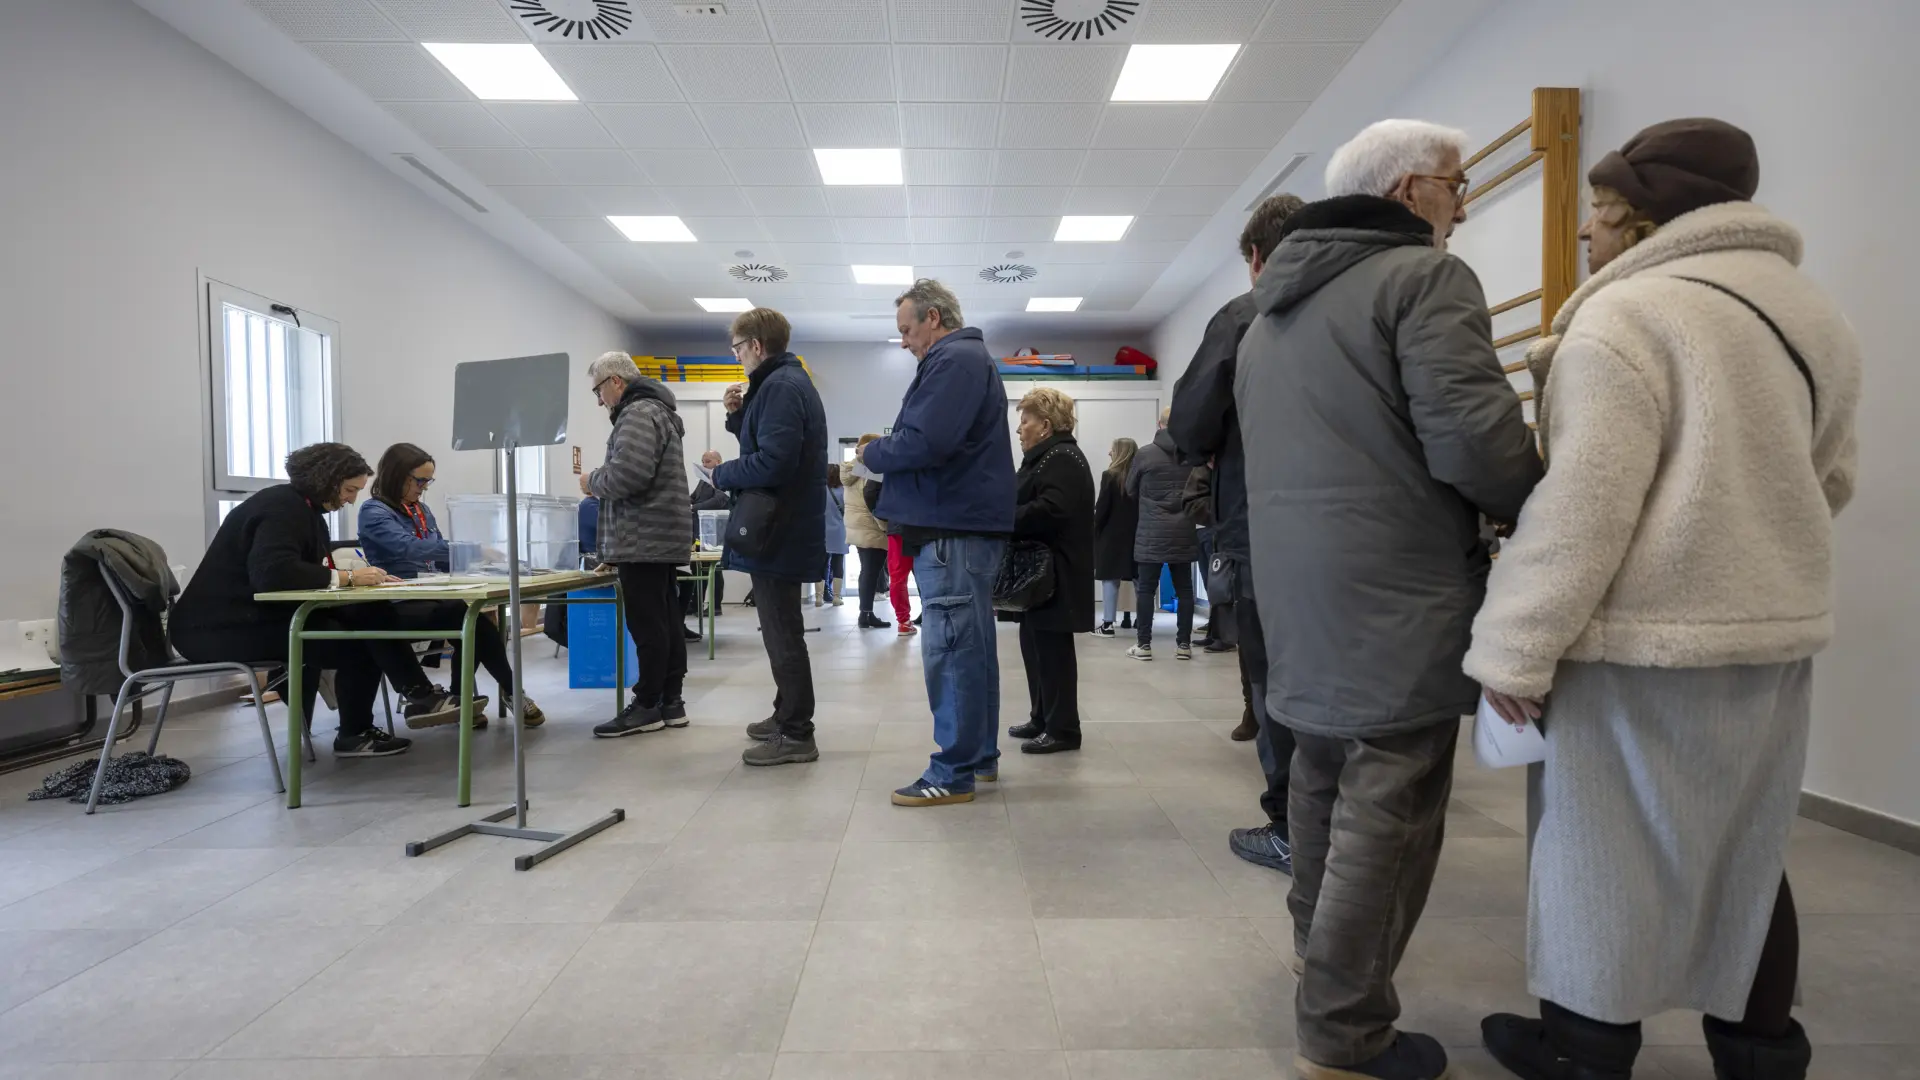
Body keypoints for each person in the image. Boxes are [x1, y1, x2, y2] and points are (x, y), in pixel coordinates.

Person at [1467, 119, 1861, 1080]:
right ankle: (1762, 1053)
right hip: (1770, 631)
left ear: (1635, 220)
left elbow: (1583, 507)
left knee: (1602, 851)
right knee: (1748, 849)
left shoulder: (1627, 318)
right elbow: (1833, 480)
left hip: (1638, 641)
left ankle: (1584, 1050)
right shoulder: (1815, 317)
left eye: (1595, 219)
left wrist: (1513, 652)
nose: (1589, 239)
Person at [1237, 118, 1543, 1080]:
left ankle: (1316, 969)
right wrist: (1542, 504)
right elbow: (1478, 444)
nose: (1467, 201)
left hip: (1300, 598)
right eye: (1459, 183)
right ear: (1413, 190)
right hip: (1395, 591)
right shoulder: (1425, 278)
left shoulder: (1269, 314)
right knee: (1391, 810)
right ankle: (1344, 1033)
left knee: (1323, 789)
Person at [1168, 192, 1305, 872]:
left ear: (1256, 257)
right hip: (1361, 534)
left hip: (1264, 527)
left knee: (1272, 682)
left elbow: (1189, 427)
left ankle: (1290, 826)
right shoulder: (1375, 301)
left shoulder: (1243, 316)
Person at [171, 442, 464, 758]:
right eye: (350, 490)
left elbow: (299, 571)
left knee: (368, 613)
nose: (352, 499)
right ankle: (371, 724)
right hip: (215, 630)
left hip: (248, 618)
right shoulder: (281, 510)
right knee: (358, 640)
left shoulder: (300, 509)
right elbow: (273, 574)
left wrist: (350, 578)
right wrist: (347, 578)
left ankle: (413, 697)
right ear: (328, 480)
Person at [859, 278, 1015, 806]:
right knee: (972, 650)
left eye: (906, 330)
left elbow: (927, 440)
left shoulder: (955, 361)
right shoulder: (964, 360)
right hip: (961, 526)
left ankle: (952, 771)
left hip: (952, 528)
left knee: (950, 651)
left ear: (933, 318)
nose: (904, 341)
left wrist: (874, 452)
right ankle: (980, 758)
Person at [714, 307, 828, 767]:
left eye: (738, 349)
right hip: (783, 528)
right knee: (781, 632)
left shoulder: (781, 386)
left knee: (783, 634)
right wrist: (739, 417)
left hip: (779, 531)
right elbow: (768, 446)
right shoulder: (782, 384)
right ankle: (786, 715)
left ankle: (797, 731)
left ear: (756, 346)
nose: (738, 357)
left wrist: (721, 473)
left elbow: (774, 463)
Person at [358, 442, 541, 727]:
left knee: (475, 624)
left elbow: (439, 551)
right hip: (396, 604)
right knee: (471, 621)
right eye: (419, 480)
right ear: (397, 475)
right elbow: (412, 549)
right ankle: (503, 693)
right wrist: (472, 550)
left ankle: (463, 700)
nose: (423, 487)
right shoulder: (374, 512)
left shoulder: (422, 510)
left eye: (427, 481)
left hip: (432, 595)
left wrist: (483, 567)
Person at [581, 352, 695, 739]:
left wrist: (593, 481)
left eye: (599, 391)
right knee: (665, 620)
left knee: (648, 624)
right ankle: (670, 702)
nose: (600, 401)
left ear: (615, 382)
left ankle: (647, 704)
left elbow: (628, 475)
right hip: (659, 535)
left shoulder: (637, 413)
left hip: (642, 537)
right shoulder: (658, 411)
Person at [1003, 388, 1095, 754]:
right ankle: (1042, 717)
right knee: (1035, 647)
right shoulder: (1044, 457)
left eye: (1024, 420)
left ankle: (1063, 729)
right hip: (1041, 577)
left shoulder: (1062, 457)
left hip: (1056, 574)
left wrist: (1004, 519)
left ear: (1045, 425)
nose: (1019, 428)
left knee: (1054, 653)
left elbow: (1052, 510)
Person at [1124, 408, 1201, 661]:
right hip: (1184, 530)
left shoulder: (1144, 454)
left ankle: (1144, 645)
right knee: (1185, 590)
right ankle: (1183, 645)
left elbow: (1130, 489)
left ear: (1159, 424)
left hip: (1151, 532)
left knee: (1146, 589)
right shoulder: (1191, 456)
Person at [1091, 437, 1140, 636]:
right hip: (1138, 535)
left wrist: (1094, 528)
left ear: (1119, 452)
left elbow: (1102, 508)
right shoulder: (1140, 477)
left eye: (1112, 449)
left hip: (1111, 537)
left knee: (1110, 580)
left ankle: (1108, 625)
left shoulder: (1109, 476)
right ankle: (1143, 622)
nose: (1109, 453)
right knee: (1140, 580)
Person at [843, 435, 891, 629]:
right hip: (871, 525)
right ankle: (866, 615)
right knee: (871, 571)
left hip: (857, 525)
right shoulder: (871, 469)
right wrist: (885, 525)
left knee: (868, 571)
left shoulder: (850, 468)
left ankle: (866, 614)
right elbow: (872, 496)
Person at [686, 448, 730, 624]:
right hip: (698, 530)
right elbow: (694, 497)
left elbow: (719, 500)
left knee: (713, 569)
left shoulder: (723, 479)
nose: (704, 464)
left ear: (717, 462)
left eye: (707, 461)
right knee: (696, 567)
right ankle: (696, 603)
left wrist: (694, 508)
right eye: (703, 461)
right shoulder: (704, 481)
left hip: (713, 530)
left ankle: (715, 605)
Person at [820, 464, 846, 606]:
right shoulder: (843, 491)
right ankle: (836, 597)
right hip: (839, 531)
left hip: (822, 531)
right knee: (837, 563)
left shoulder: (820, 491)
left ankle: (819, 597)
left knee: (823, 564)